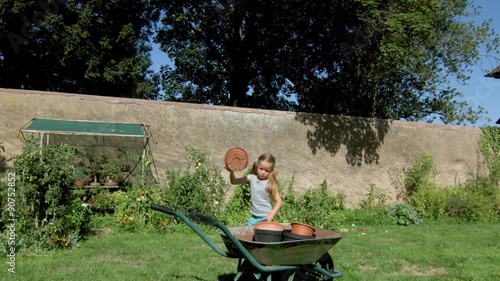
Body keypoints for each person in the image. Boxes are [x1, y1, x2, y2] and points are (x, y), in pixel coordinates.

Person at [227, 153, 283, 226]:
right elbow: (234, 181)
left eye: (267, 170)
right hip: (253, 217)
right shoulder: (251, 177)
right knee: (249, 235)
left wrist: (271, 214)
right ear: (257, 166)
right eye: (261, 169)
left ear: (271, 171)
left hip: (265, 218)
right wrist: (231, 172)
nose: (263, 172)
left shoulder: (270, 183)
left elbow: (279, 201)